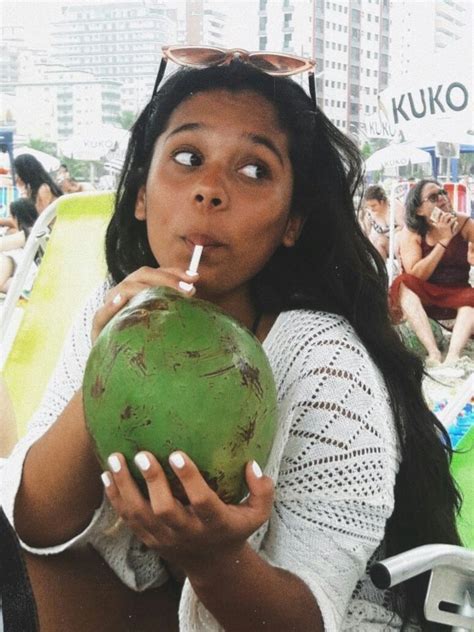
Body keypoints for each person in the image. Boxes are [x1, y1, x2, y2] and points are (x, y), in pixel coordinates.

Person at [1, 50, 461, 631]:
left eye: (254, 171)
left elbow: (309, 617)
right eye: (188, 157)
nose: (210, 190)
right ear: (141, 192)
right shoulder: (112, 309)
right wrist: (104, 364)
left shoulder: (323, 359)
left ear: (292, 222)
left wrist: (213, 559)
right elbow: (36, 527)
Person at [390, 179, 474, 367]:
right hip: (426, 294)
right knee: (403, 283)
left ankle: (453, 355)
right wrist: (443, 241)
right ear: (419, 210)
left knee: (471, 298)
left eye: (443, 192)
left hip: (458, 293)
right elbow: (415, 276)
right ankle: (433, 353)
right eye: (434, 197)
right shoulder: (412, 232)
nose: (443, 198)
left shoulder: (463, 223)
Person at [0, 198, 38, 293]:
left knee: (7, 256)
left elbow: (2, 244)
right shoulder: (38, 229)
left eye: (11, 216)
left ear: (16, 217)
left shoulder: (27, 234)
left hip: (27, 281)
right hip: (27, 278)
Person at [360, 184, 405, 262]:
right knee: (379, 242)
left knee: (396, 237)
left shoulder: (394, 205)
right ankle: (381, 271)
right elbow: (365, 232)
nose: (371, 208)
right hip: (384, 245)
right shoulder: (369, 213)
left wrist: (391, 234)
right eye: (368, 206)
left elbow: (404, 227)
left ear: (382, 201)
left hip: (401, 244)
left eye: (373, 205)